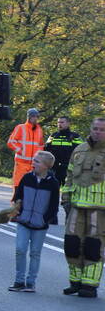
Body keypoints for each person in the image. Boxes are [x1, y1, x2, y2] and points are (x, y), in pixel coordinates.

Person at [60, 117, 105, 298]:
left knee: (93, 247)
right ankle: (75, 282)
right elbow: (69, 176)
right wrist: (65, 198)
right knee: (71, 244)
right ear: (90, 128)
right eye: (95, 128)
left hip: (100, 210)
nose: (98, 132)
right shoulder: (79, 149)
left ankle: (89, 286)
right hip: (76, 206)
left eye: (102, 129)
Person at [8, 151, 60, 293]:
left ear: (46, 166)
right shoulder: (26, 178)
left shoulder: (53, 184)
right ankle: (19, 281)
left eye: (37, 161)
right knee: (20, 250)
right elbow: (18, 196)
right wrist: (17, 208)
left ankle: (31, 283)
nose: (33, 163)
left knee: (35, 253)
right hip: (23, 221)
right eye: (34, 160)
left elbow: (54, 206)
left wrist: (45, 219)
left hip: (40, 225)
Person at [7, 108, 45, 188]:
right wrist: (21, 150)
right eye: (33, 116)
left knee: (31, 186)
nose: (35, 118)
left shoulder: (39, 130)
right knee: (18, 184)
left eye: (37, 117)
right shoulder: (20, 127)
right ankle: (16, 200)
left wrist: (39, 158)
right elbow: (11, 142)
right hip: (21, 163)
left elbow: (41, 145)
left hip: (34, 164)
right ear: (29, 117)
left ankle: (27, 200)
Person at [44, 115, 81, 186]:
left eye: (62, 122)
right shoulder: (53, 136)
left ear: (68, 123)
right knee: (52, 191)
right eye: (58, 122)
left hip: (68, 169)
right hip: (54, 169)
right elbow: (46, 150)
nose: (59, 124)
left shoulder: (75, 137)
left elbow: (81, 152)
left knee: (68, 192)